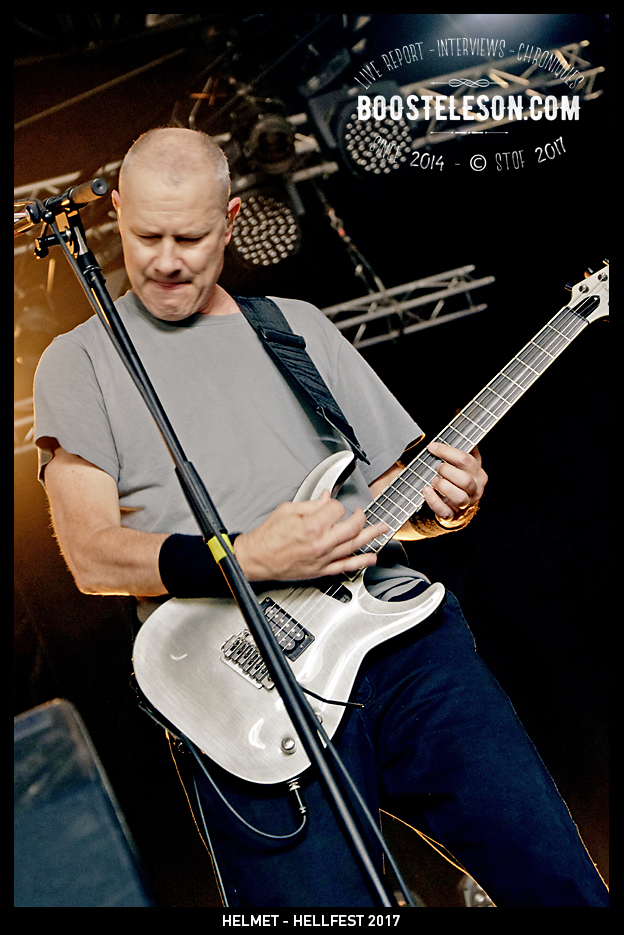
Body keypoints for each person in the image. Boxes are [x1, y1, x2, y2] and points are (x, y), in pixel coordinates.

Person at [33, 127, 608, 907]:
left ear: (232, 221)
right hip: (244, 682)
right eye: (145, 236)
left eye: (191, 237)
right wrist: (250, 556)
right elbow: (94, 556)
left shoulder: (294, 325)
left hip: (404, 652)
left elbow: (391, 503)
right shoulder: (80, 361)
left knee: (559, 886)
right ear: (117, 218)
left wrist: (450, 502)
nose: (166, 260)